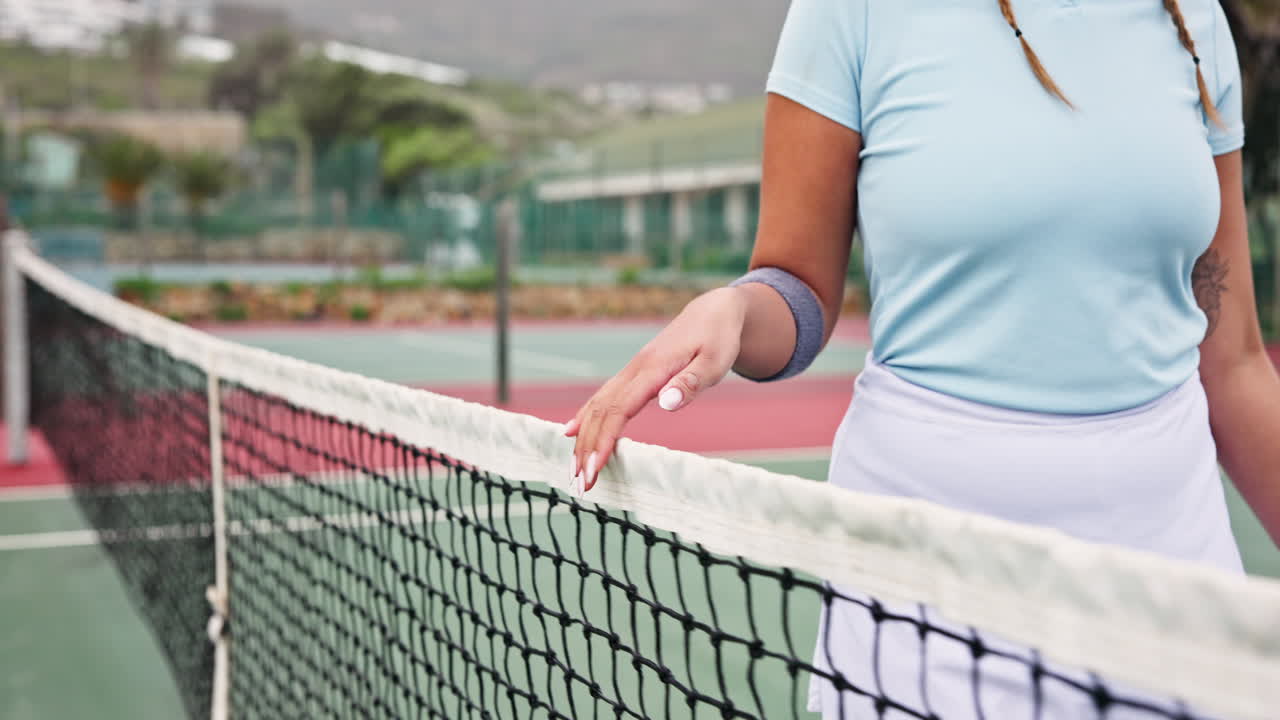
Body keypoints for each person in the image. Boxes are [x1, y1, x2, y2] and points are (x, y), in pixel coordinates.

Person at [566, 0, 1280, 716]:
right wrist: (736, 311)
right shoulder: (852, 12)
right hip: (926, 580)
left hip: (1169, 584)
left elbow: (1234, 360)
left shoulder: (1195, 20)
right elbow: (797, 290)